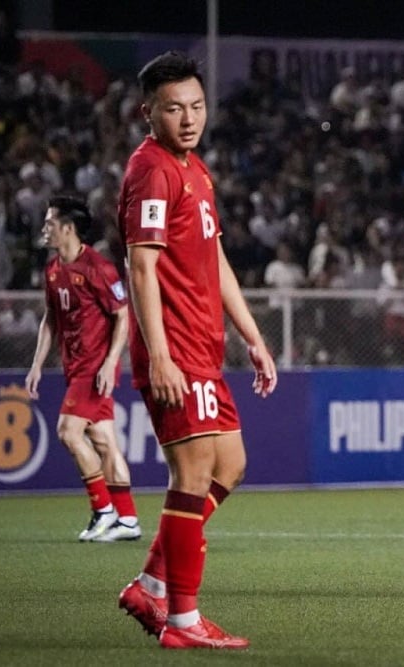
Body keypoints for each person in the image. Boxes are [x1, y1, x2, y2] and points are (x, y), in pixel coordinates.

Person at [114, 51, 277, 650]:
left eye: (197, 106)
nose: (188, 118)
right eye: (173, 108)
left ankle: (153, 582)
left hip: (204, 348)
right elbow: (141, 265)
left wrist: (253, 337)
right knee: (191, 473)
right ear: (147, 112)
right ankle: (182, 620)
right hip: (176, 348)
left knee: (230, 465)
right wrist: (158, 354)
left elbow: (216, 260)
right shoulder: (153, 170)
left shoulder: (195, 171)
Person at [25, 195, 140, 542]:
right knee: (104, 441)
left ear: (68, 228)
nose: (44, 229)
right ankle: (129, 521)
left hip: (95, 368)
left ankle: (103, 510)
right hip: (74, 368)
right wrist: (36, 366)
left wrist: (109, 364)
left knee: (68, 432)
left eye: (50, 223)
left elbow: (123, 316)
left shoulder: (99, 268)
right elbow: (50, 320)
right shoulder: (54, 270)